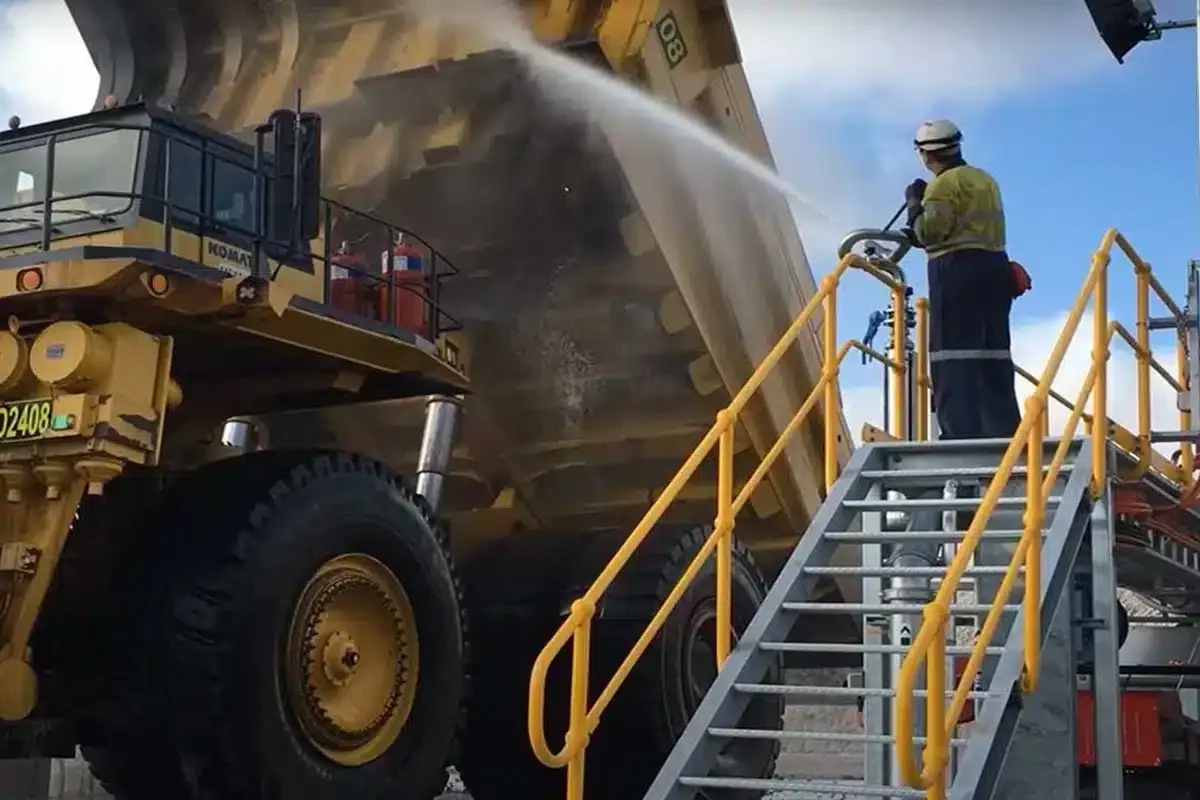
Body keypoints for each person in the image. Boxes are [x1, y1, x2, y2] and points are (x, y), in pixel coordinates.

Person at [903, 119, 1023, 440]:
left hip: (956, 273)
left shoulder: (943, 185)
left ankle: (959, 433)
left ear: (926, 155)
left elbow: (929, 232)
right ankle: (1002, 430)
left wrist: (915, 203)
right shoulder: (985, 180)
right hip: (995, 271)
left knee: (952, 355)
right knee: (992, 354)